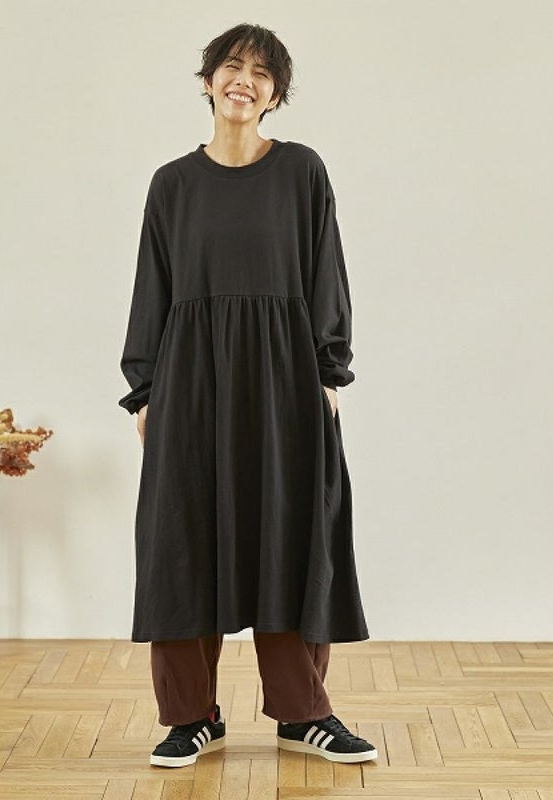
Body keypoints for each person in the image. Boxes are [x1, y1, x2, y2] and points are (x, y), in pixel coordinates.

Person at [118, 22, 376, 768]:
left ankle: (302, 713)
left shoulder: (301, 171)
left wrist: (328, 373)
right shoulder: (172, 184)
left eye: (263, 74)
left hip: (285, 380)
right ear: (208, 82)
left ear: (275, 96)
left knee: (290, 533)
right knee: (181, 538)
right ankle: (190, 716)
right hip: (190, 382)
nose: (245, 80)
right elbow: (152, 288)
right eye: (233, 66)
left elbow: (326, 271)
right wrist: (145, 391)